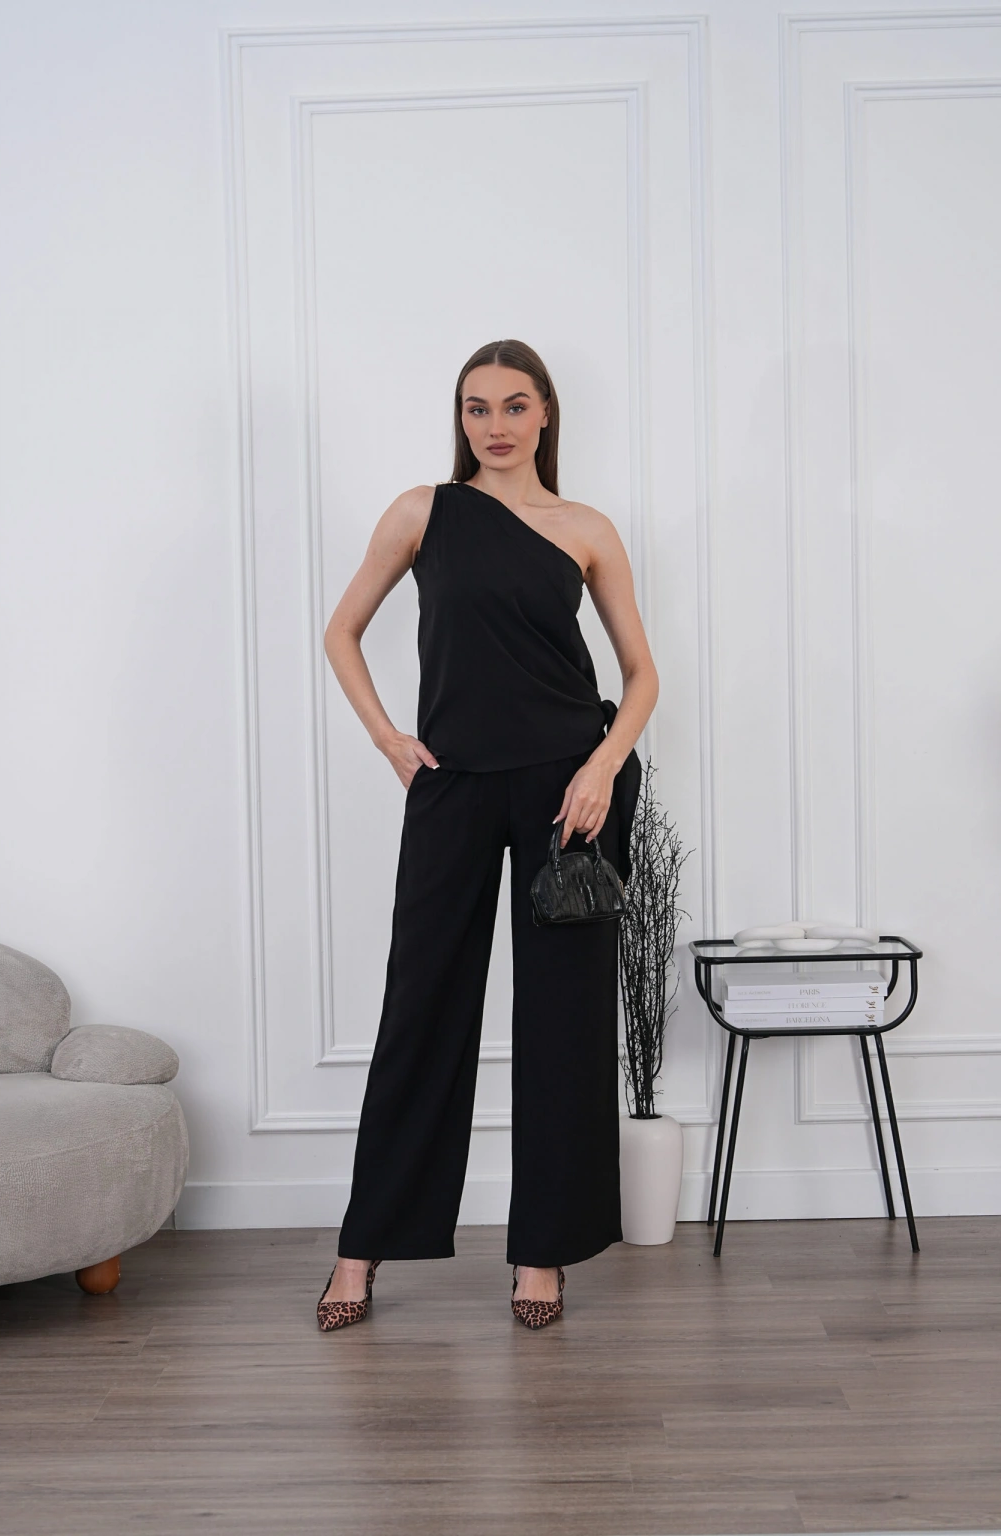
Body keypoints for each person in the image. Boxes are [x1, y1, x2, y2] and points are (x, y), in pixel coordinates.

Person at [318, 338, 659, 1331]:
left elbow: (642, 675)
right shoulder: (422, 512)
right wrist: (388, 738)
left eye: (514, 405)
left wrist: (601, 766)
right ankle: (359, 1251)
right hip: (454, 785)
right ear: (460, 418)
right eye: (478, 408)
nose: (496, 425)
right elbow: (341, 630)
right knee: (420, 1008)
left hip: (569, 793)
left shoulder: (586, 528)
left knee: (562, 1022)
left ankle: (541, 1255)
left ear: (545, 412)